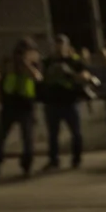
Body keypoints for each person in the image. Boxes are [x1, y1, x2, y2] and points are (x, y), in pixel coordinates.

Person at [0, 40, 42, 178]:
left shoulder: (33, 63)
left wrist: (26, 64)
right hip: (9, 104)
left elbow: (37, 77)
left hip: (26, 105)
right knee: (0, 138)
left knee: (27, 139)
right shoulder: (8, 62)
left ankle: (26, 166)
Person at [40, 35, 92, 170]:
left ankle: (76, 159)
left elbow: (86, 76)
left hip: (70, 102)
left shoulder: (73, 61)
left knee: (76, 133)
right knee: (53, 134)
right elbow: (41, 78)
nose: (59, 47)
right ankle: (53, 160)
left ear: (67, 46)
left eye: (61, 44)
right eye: (57, 44)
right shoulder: (47, 62)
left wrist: (70, 73)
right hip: (52, 103)